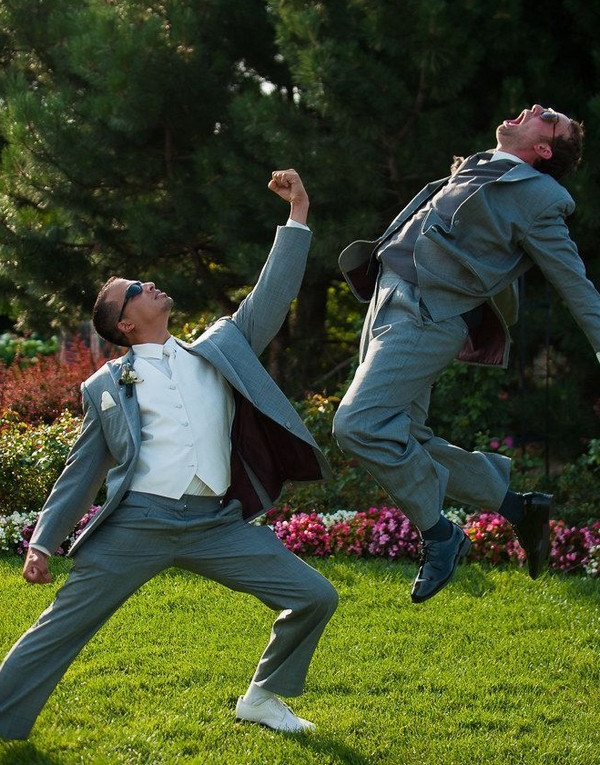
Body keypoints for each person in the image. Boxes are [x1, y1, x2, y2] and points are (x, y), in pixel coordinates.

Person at [0, 169, 338, 740]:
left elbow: (272, 296)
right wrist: (41, 541)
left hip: (216, 523)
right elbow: (83, 469)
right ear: (126, 324)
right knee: (60, 626)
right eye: (133, 290)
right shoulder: (106, 385)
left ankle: (263, 697)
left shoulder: (221, 348)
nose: (147, 286)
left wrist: (297, 214)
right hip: (139, 523)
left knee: (314, 596)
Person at [333, 104, 596, 603]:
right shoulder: (480, 163)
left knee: (357, 425)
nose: (536, 109)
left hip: (427, 319)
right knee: (404, 436)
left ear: (544, 150)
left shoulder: (542, 198)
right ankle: (519, 507)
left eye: (549, 119)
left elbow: (575, 284)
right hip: (387, 300)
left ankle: (440, 537)